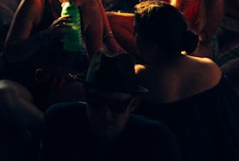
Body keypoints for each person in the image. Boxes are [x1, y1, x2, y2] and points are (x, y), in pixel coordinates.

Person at [0, 0, 106, 148]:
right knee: (0, 94)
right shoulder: (35, 2)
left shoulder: (90, 7)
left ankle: (33, 126)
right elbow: (10, 54)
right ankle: (48, 129)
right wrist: (47, 34)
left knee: (97, 102)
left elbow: (95, 60)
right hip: (23, 81)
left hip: (60, 84)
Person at [133, 1, 239, 161]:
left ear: (151, 43)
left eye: (136, 31)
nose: (133, 36)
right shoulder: (210, 68)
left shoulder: (140, 77)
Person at [38, 50, 181, 161]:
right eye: (96, 102)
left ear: (134, 104)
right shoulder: (61, 122)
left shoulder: (155, 141)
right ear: (86, 96)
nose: (105, 113)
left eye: (117, 105)